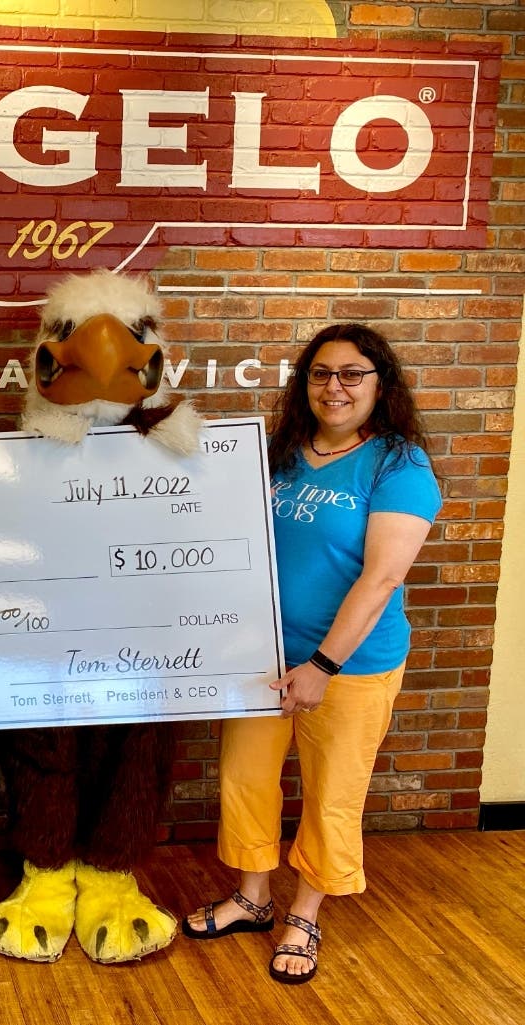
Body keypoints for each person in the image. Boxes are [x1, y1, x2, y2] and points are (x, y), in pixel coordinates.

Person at [181, 324, 442, 986]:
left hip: (350, 666)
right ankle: (252, 898)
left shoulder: (399, 465)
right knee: (245, 778)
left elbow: (381, 578)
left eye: (353, 374)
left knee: (331, 794)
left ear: (380, 383)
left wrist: (323, 666)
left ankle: (304, 913)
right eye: (321, 373)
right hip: (261, 655)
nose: (335, 387)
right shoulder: (280, 453)